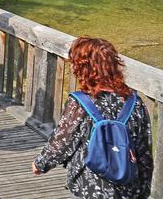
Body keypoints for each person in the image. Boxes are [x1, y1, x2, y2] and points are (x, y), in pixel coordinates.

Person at [32, 37, 153, 198]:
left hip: (88, 186)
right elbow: (144, 151)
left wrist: (40, 164)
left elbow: (63, 141)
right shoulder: (134, 102)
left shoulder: (80, 102)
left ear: (84, 68)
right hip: (127, 186)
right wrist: (144, 188)